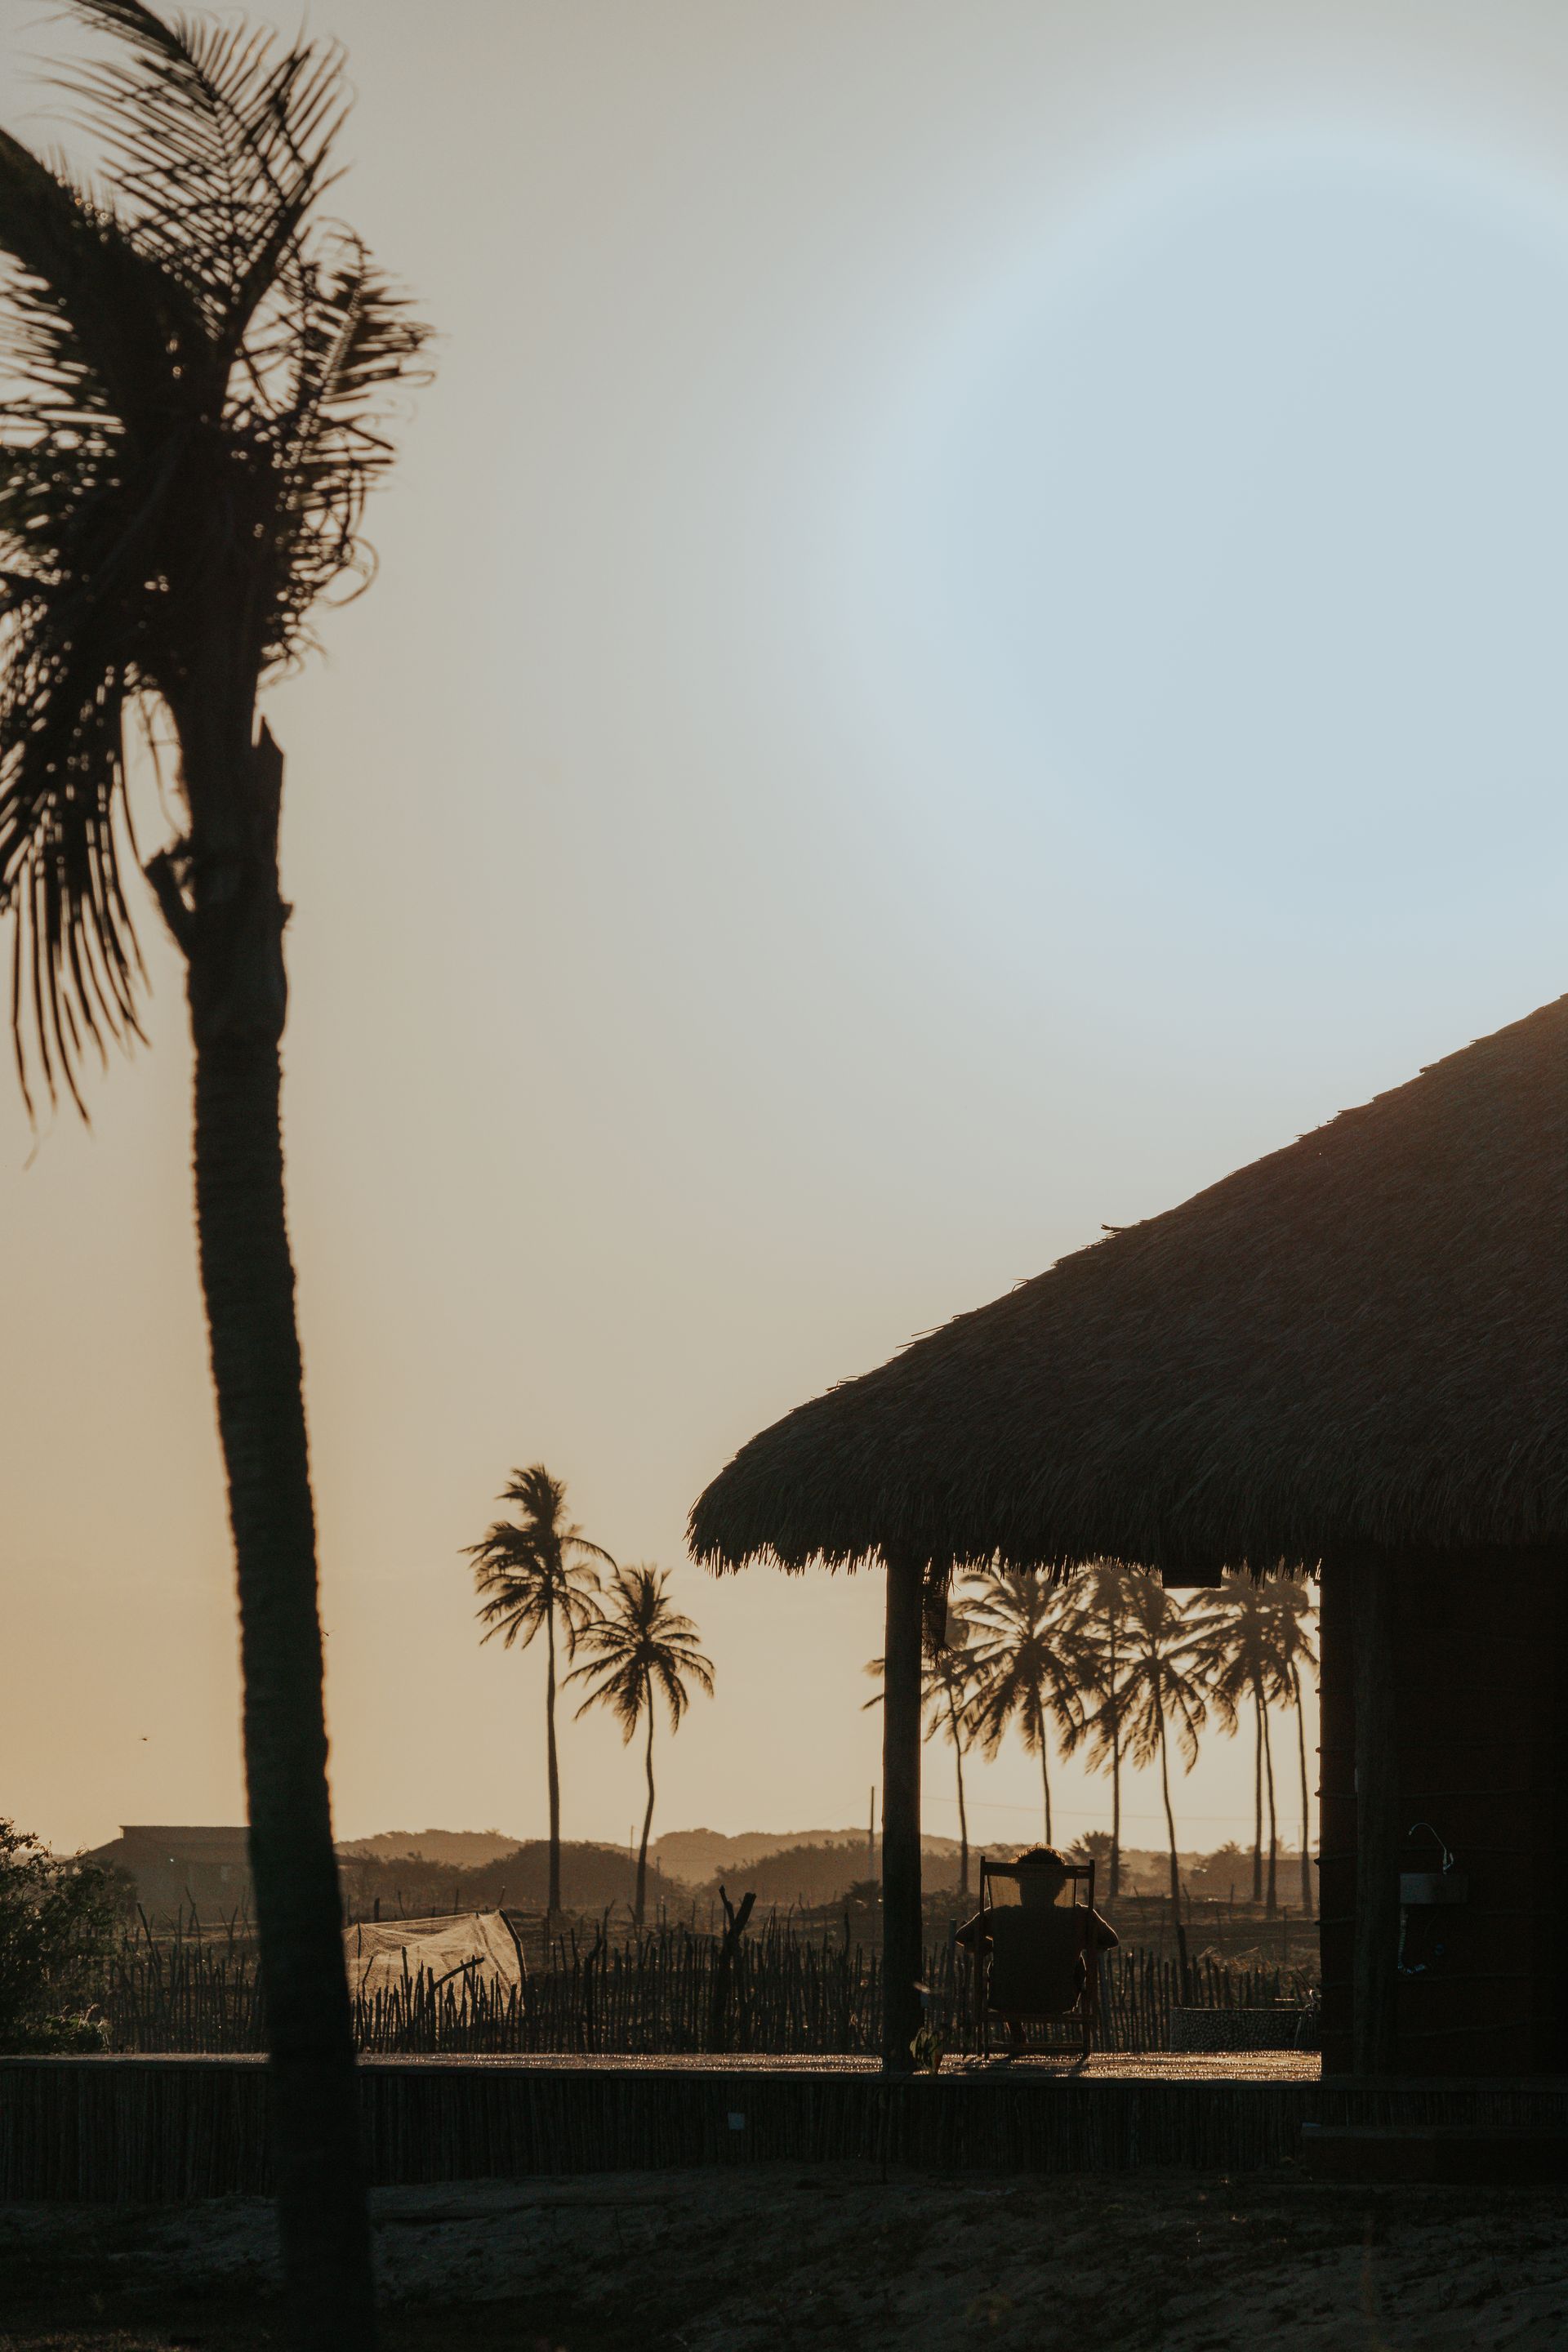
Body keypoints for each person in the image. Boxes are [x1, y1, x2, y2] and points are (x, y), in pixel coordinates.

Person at [956, 1845, 1118, 2052]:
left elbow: (962, 1936)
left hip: (1009, 1998)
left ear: (1020, 1883)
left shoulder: (1002, 1915)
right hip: (1060, 1997)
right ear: (1060, 1886)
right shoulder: (1079, 1917)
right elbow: (1111, 1940)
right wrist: (1073, 1943)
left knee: (1003, 1966)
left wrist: (994, 1944)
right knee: (1078, 1963)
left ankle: (1017, 2034)